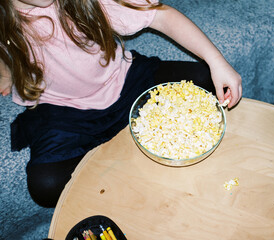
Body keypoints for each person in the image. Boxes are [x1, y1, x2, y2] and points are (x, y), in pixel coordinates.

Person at [0, 0, 242, 208]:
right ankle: (130, 167)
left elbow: (161, 16)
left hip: (122, 80)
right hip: (62, 109)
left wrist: (216, 61)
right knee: (45, 185)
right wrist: (6, 70)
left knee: (203, 79)